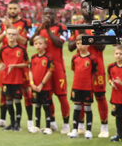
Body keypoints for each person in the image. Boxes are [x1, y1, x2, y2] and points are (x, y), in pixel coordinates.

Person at [0, 2, 33, 130]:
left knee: (25, 92)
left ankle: (30, 122)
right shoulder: (4, 25)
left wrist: (11, 27)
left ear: (19, 9)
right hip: (6, 63)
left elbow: (26, 41)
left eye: (15, 8)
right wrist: (5, 31)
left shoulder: (25, 23)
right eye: (10, 8)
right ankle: (2, 119)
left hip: (20, 63)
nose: (12, 10)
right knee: (4, 93)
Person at [67, 9, 109, 138]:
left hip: (97, 67)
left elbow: (101, 47)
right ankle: (80, 125)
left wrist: (87, 36)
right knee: (80, 98)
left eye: (90, 7)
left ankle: (104, 126)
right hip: (82, 68)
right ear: (81, 9)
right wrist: (80, 37)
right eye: (85, 7)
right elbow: (70, 47)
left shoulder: (99, 25)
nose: (88, 10)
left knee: (100, 96)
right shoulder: (77, 26)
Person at [33, 8, 69, 133]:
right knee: (48, 96)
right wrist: (39, 29)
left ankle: (66, 123)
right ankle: (52, 121)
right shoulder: (40, 27)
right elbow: (31, 41)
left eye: (51, 13)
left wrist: (48, 30)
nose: (48, 16)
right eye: (46, 14)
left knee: (62, 95)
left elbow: (60, 43)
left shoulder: (61, 27)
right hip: (44, 68)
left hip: (58, 67)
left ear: (56, 15)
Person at [0, 27, 29, 131]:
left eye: (14, 34)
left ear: (17, 36)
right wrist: (2, 66)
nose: (11, 36)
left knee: (17, 101)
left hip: (17, 79)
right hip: (6, 79)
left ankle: (18, 124)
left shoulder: (21, 49)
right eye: (9, 34)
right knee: (8, 101)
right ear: (6, 35)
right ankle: (11, 123)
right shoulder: (3, 49)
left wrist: (15, 66)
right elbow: (2, 62)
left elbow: (27, 63)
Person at [68, 35, 97, 139]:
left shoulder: (92, 58)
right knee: (77, 108)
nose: (80, 46)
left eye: (82, 43)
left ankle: (88, 130)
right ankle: (75, 129)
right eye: (78, 43)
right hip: (76, 86)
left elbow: (94, 73)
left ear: (88, 44)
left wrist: (91, 85)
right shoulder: (75, 58)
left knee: (88, 108)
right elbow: (74, 70)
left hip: (87, 88)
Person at [28, 35, 54, 134]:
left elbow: (50, 71)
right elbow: (30, 71)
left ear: (45, 45)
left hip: (45, 86)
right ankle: (37, 125)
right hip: (34, 86)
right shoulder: (33, 57)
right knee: (37, 105)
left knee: (46, 106)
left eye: (40, 43)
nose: (38, 46)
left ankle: (48, 126)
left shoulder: (48, 57)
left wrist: (42, 84)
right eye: (36, 44)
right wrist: (32, 83)